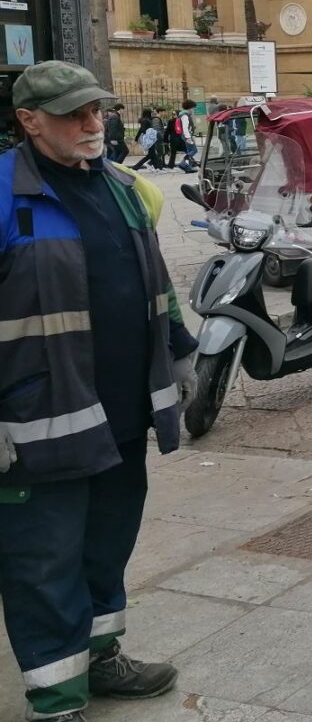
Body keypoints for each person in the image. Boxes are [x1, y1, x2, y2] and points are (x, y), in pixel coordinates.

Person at [0, 61, 198, 722]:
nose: (94, 124)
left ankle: (101, 655)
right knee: (43, 559)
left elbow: (154, 277)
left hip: (118, 413)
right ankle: (57, 698)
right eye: (74, 114)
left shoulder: (120, 185)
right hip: (36, 422)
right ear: (29, 121)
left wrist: (178, 346)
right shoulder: (6, 192)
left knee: (107, 541)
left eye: (97, 110)